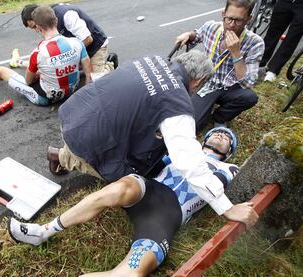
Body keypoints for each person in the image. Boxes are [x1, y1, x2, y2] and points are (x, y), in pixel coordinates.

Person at [8, 127, 258, 276]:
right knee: (118, 189)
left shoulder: (228, 167)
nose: (222, 135)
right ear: (205, 138)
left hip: (166, 213)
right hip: (148, 189)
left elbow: (209, 182)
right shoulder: (183, 149)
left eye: (227, 136)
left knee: (133, 272)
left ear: (230, 149)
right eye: (217, 132)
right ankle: (42, 231)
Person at [48, 49, 255, 227]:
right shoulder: (176, 104)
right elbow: (189, 162)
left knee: (154, 141)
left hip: (74, 111)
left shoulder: (152, 60)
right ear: (199, 81)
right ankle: (61, 156)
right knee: (129, 180)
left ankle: (71, 153)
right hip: (84, 138)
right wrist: (226, 207)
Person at [175, 0, 264, 131]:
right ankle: (204, 107)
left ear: (248, 20)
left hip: (230, 86)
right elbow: (197, 35)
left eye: (239, 20)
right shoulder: (211, 27)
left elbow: (248, 83)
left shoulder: (255, 43)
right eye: (229, 19)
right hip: (206, 83)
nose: (232, 25)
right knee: (193, 126)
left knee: (250, 97)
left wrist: (236, 53)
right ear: (223, 14)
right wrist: (189, 34)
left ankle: (220, 117)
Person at [0, 6, 91, 106]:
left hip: (45, 99)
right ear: (56, 20)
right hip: (72, 91)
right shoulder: (77, 42)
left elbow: (28, 81)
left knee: (2, 71)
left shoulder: (37, 52)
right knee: (48, 67)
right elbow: (87, 69)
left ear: (38, 27)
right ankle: (17, 62)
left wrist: (38, 75)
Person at [21, 3, 117, 79]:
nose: (37, 30)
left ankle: (110, 64)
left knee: (96, 81)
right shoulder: (45, 22)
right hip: (80, 48)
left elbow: (88, 39)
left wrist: (69, 55)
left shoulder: (66, 14)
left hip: (96, 45)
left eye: (35, 26)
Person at [260, 0, 303, 82]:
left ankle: (273, 70)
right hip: (285, 2)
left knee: (292, 38)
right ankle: (260, 61)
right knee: (272, 32)